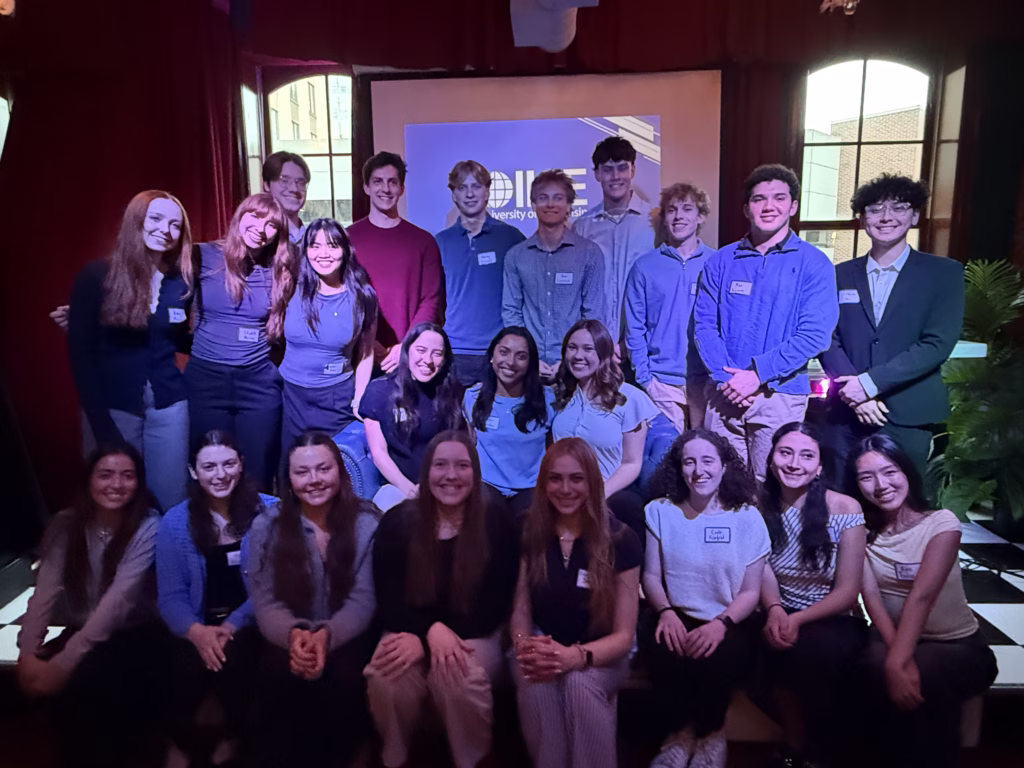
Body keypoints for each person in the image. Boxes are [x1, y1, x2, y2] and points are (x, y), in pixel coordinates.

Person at [365, 431, 520, 768]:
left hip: (477, 632)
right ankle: (394, 756)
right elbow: (388, 598)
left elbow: (496, 605)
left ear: (475, 474)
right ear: (426, 473)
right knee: (386, 675)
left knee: (455, 677)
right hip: (408, 628)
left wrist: (441, 636)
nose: (451, 475)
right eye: (441, 465)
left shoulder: (496, 521)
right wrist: (428, 634)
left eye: (462, 466)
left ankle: (472, 759)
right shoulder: (397, 523)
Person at [17, 444, 165, 768]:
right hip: (83, 629)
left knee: (87, 685)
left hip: (136, 633)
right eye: (106, 475)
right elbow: (44, 591)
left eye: (128, 476)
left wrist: (61, 666)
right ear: (89, 480)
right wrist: (27, 653)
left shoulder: (148, 524)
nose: (116, 484)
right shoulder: (67, 523)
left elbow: (119, 603)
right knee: (44, 694)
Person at [854, 434, 997, 768]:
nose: (880, 485)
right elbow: (870, 596)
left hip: (956, 644)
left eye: (889, 472)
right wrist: (895, 658)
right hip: (892, 637)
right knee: (868, 668)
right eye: (866, 476)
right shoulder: (860, 531)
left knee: (927, 674)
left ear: (906, 472)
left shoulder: (941, 522)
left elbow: (922, 596)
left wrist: (897, 662)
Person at [694, 164, 838, 482]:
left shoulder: (814, 264)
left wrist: (758, 374)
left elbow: (814, 335)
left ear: (793, 206)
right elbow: (704, 326)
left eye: (779, 198)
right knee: (721, 485)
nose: (769, 206)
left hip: (780, 396)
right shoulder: (721, 261)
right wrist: (726, 379)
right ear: (747, 208)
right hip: (724, 393)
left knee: (772, 487)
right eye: (759, 199)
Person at [246, 432, 381, 767]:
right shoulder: (267, 524)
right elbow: (264, 600)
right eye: (302, 472)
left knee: (344, 676)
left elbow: (364, 599)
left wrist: (326, 635)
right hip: (289, 636)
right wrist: (295, 635)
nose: (314, 480)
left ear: (339, 472)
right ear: (289, 481)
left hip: (348, 635)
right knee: (275, 673)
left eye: (323, 469)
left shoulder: (367, 521)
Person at [821, 175, 964, 487]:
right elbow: (826, 337)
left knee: (903, 504)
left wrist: (870, 384)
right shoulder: (839, 274)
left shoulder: (944, 274)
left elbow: (937, 343)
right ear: (862, 219)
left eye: (898, 208)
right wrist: (856, 395)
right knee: (842, 503)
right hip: (844, 412)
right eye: (874, 210)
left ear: (914, 216)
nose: (886, 217)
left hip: (907, 411)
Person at [511, 438, 641, 768]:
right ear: (543, 484)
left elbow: (624, 637)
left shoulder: (621, 539)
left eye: (576, 478)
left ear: (592, 482)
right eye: (555, 478)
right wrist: (528, 649)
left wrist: (575, 656)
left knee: (579, 683)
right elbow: (521, 609)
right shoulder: (528, 529)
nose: (565, 488)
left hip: (604, 650)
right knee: (535, 679)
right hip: (544, 640)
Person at [641, 430, 767, 768]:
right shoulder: (660, 511)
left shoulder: (748, 517)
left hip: (730, 618)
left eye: (708, 460)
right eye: (689, 461)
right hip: (675, 612)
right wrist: (666, 612)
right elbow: (651, 576)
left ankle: (711, 735)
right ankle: (678, 737)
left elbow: (751, 592)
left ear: (724, 466)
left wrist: (720, 624)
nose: (699, 470)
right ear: (679, 468)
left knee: (718, 658)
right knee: (663, 649)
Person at [67, 190, 192, 511]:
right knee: (117, 506)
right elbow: (81, 359)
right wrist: (102, 428)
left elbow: (178, 340)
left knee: (170, 502)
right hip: (114, 409)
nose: (165, 229)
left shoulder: (181, 284)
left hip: (168, 409)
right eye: (156, 218)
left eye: (175, 225)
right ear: (136, 220)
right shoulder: (97, 277)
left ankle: (165, 562)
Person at [756, 422, 867, 767]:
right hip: (775, 608)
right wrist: (775, 608)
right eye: (785, 453)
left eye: (806, 456)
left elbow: (849, 591)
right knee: (748, 650)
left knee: (810, 652)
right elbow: (759, 567)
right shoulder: (754, 506)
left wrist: (797, 618)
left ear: (819, 467)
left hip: (831, 616)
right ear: (772, 459)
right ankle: (799, 739)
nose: (794, 463)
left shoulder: (845, 508)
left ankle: (809, 745)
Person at [157, 430, 269, 768]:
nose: (220, 475)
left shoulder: (269, 511)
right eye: (209, 467)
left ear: (241, 464)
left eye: (228, 464)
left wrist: (232, 625)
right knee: (181, 663)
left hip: (251, 619)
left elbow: (270, 588)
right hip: (195, 622)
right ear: (193, 471)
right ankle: (177, 742)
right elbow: (171, 596)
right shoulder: (174, 522)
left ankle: (233, 739)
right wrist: (197, 632)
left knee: (235, 660)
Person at [181, 193, 293, 492]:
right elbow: (158, 301)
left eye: (272, 224)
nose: (261, 228)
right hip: (206, 382)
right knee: (211, 473)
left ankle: (256, 536)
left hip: (257, 384)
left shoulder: (279, 270)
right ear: (240, 216)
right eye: (255, 217)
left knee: (257, 475)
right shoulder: (201, 256)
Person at [551, 319, 659, 544]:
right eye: (572, 348)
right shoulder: (559, 395)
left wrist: (598, 494)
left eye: (588, 349)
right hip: (564, 485)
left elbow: (631, 463)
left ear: (603, 354)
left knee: (626, 508)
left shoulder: (629, 398)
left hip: (607, 489)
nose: (578, 355)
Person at [277, 218, 378, 452]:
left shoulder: (363, 297)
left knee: (333, 469)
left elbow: (366, 352)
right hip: (289, 396)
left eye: (332, 246)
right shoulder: (291, 286)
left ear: (345, 250)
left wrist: (358, 397)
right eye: (315, 246)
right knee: (291, 471)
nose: (323, 254)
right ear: (306, 250)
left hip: (335, 399)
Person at [624, 182, 715, 434]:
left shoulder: (718, 263)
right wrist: (646, 379)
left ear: (701, 217)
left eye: (687, 209)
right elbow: (634, 328)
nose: (679, 216)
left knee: (704, 459)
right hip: (661, 382)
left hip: (706, 382)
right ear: (664, 218)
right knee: (668, 461)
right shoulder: (644, 267)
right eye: (672, 210)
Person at [502, 170, 607, 376]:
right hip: (529, 367)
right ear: (533, 205)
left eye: (558, 198)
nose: (550, 204)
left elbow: (592, 315)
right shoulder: (516, 255)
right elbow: (511, 311)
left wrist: (571, 359)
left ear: (569, 207)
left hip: (576, 366)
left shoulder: (589, 253)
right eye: (543, 198)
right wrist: (529, 358)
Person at [347, 151, 443, 373]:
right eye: (378, 182)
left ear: (402, 189)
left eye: (393, 182)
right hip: (360, 355)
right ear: (366, 187)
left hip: (411, 357)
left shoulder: (423, 241)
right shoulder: (348, 238)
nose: (386, 189)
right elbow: (344, 295)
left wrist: (409, 346)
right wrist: (368, 343)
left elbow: (431, 300)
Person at [436, 160, 527, 386]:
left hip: (499, 351)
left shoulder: (511, 238)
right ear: (453, 195)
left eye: (476, 186)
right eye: (462, 187)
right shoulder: (440, 242)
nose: (469, 194)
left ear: (487, 191)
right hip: (454, 351)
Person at [359, 322, 466, 512]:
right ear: (407, 350)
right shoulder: (380, 390)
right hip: (397, 485)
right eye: (421, 350)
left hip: (444, 481)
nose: (428, 360)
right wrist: (409, 489)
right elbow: (379, 453)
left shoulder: (451, 391)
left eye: (437, 353)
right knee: (391, 513)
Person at [465, 326, 555, 517]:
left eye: (521, 356)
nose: (510, 362)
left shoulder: (549, 400)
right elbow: (470, 445)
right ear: (492, 356)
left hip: (531, 489)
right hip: (487, 486)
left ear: (531, 363)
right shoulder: (472, 396)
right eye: (504, 352)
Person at [574, 136, 654, 344]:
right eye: (608, 169)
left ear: (633, 171)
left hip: (643, 344)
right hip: (596, 344)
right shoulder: (582, 226)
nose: (616, 176)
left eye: (622, 168)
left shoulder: (654, 221)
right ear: (597, 174)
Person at [262, 150, 310, 245]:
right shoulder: (256, 240)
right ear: (267, 185)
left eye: (300, 183)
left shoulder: (315, 241)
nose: (294, 188)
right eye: (284, 181)